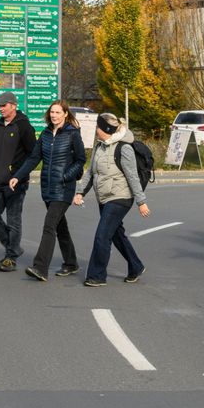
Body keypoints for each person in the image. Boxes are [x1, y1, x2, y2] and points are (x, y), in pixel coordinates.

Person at [10, 100, 86, 281]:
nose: (54, 115)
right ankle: (71, 262)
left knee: (49, 225)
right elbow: (33, 158)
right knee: (60, 226)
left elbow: (81, 160)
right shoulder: (44, 134)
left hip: (64, 188)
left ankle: (40, 267)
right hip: (48, 187)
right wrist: (17, 176)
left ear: (65, 114)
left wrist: (66, 176)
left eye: (58, 112)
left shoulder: (72, 134)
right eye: (52, 112)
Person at [73, 113, 150, 286]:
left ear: (105, 129)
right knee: (115, 234)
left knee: (102, 235)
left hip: (120, 197)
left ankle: (97, 275)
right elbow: (90, 172)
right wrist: (80, 193)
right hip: (104, 197)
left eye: (97, 127)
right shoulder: (99, 147)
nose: (95, 130)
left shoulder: (124, 148)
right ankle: (136, 266)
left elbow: (132, 177)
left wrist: (141, 202)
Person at [0, 91, 37, 272]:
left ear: (13, 106)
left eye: (3, 105)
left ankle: (11, 257)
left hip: (16, 183)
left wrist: (20, 174)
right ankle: (13, 246)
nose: (0, 108)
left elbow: (33, 154)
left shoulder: (24, 126)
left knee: (13, 220)